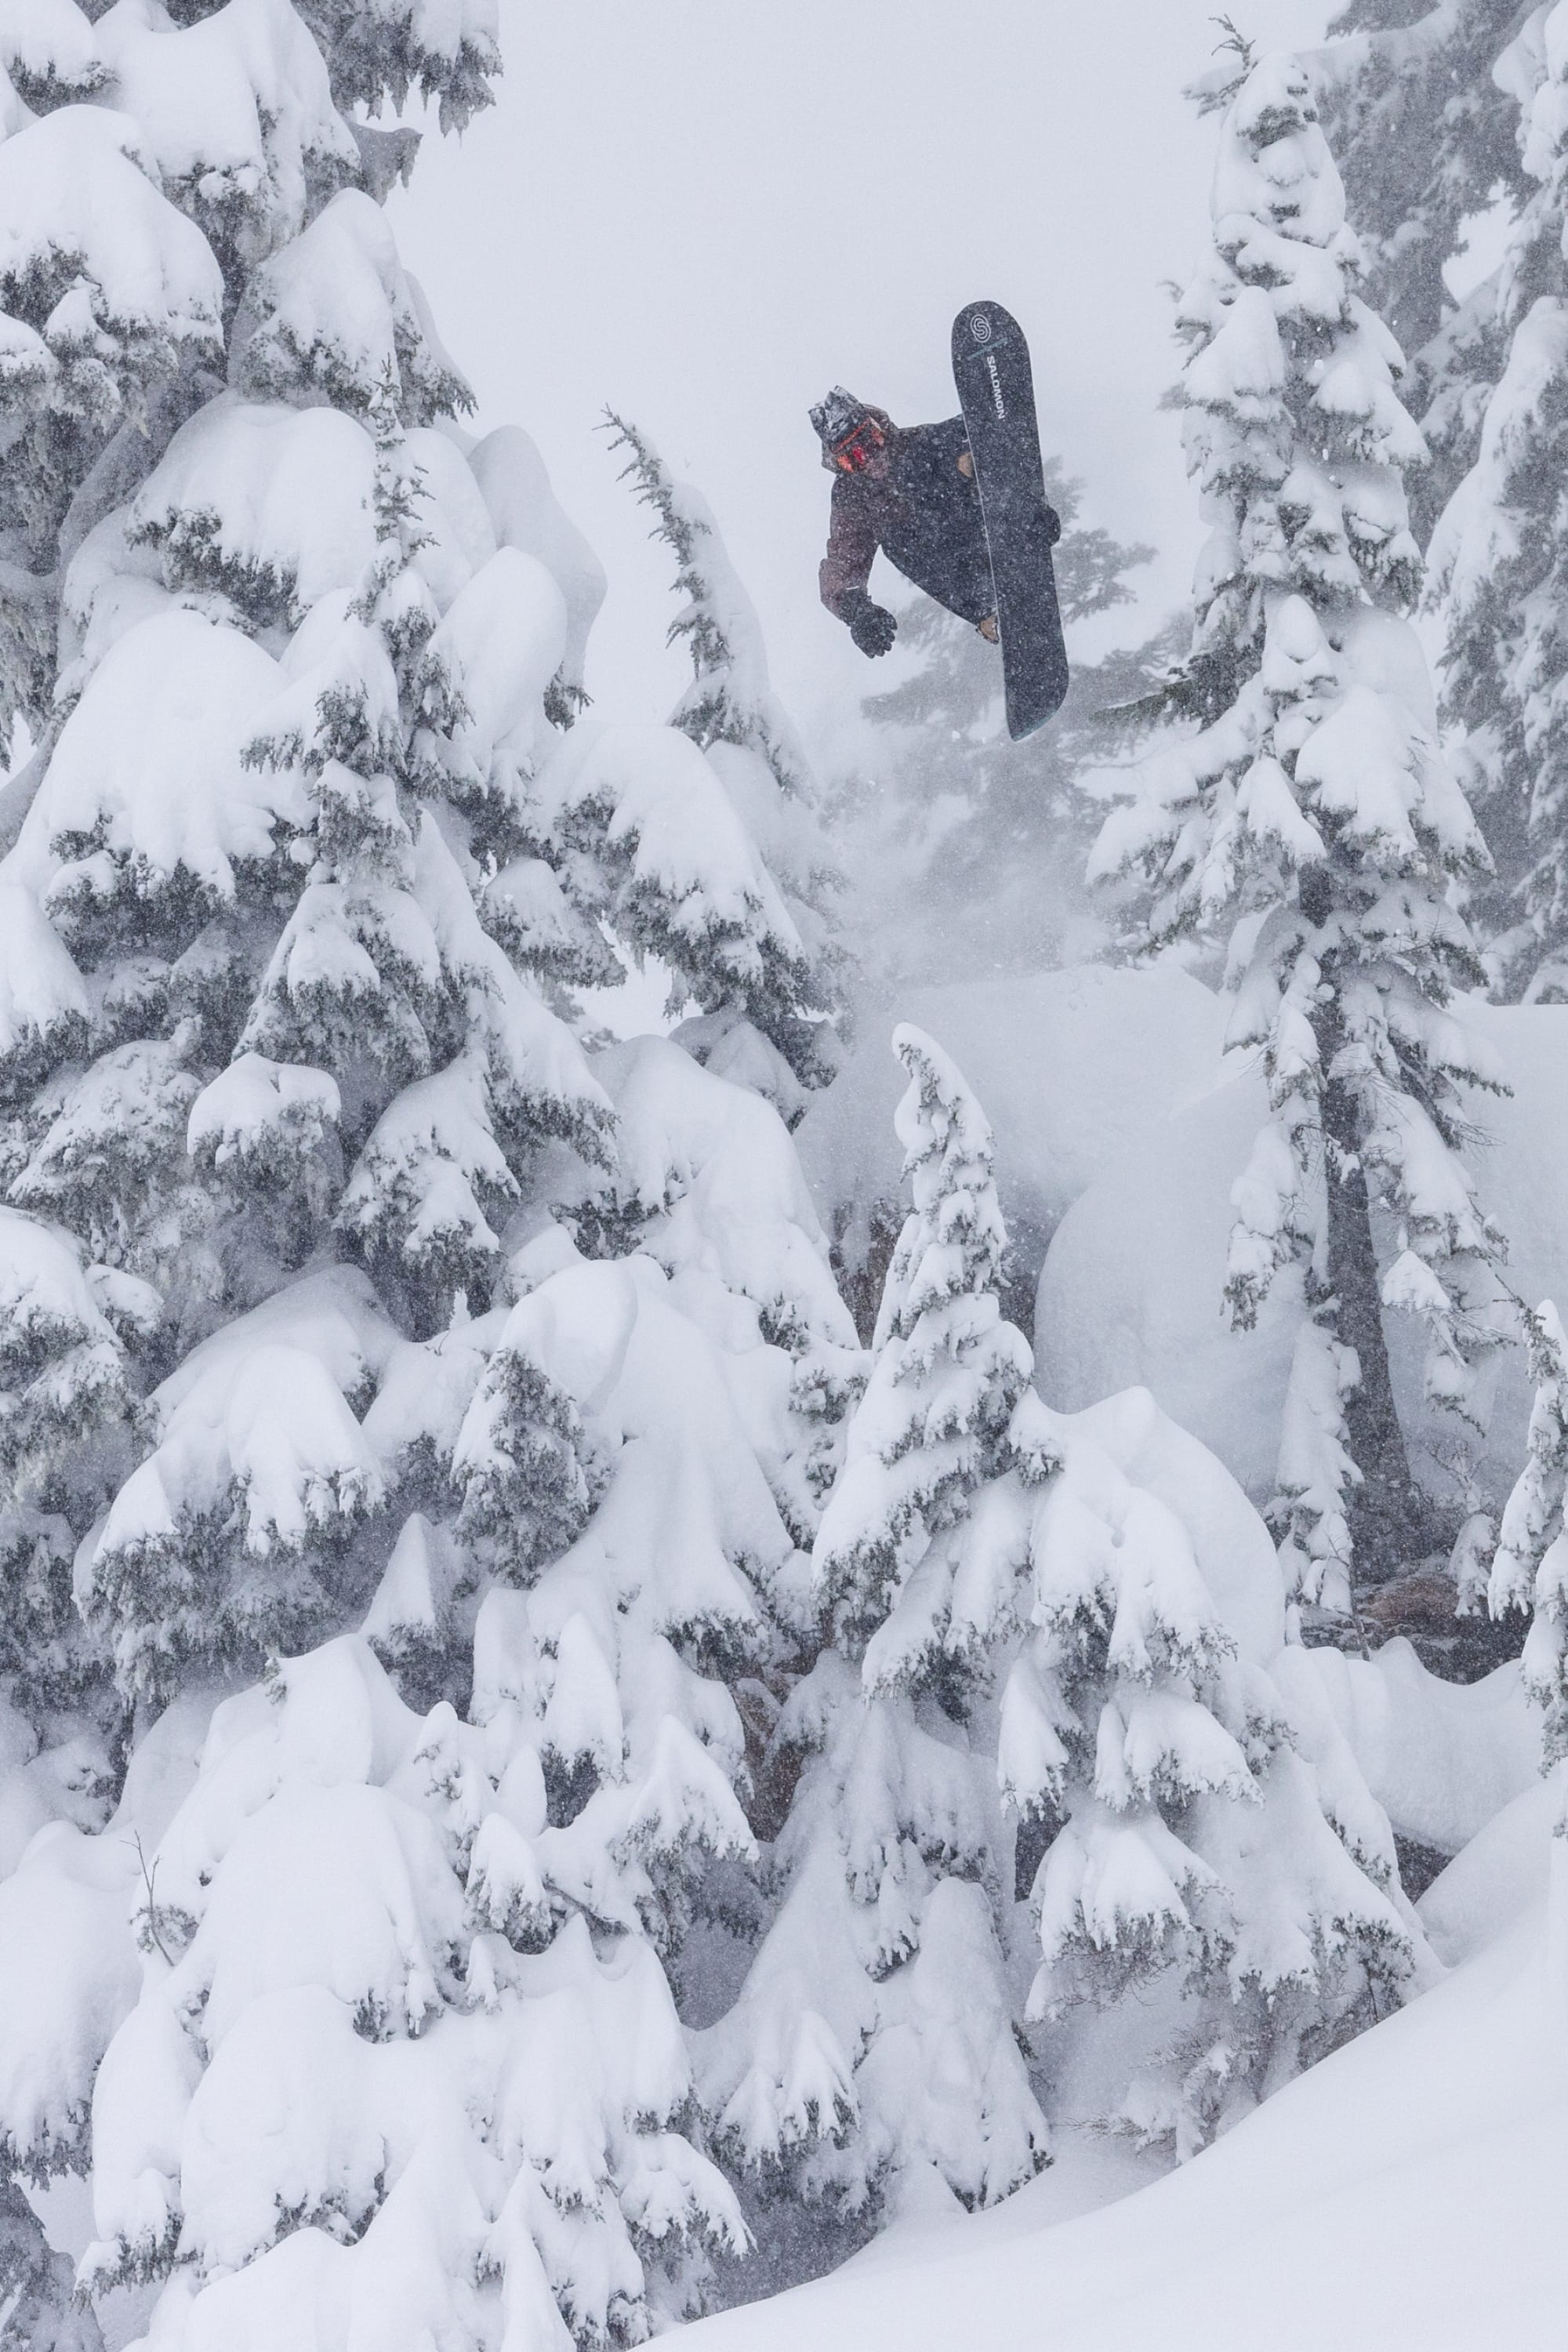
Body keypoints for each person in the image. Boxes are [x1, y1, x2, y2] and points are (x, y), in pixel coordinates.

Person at [809, 385, 1058, 657]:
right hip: (960, 567)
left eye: (869, 443)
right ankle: (990, 610)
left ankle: (1021, 525)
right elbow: (843, 559)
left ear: (878, 430)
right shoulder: (854, 497)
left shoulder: (920, 443)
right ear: (840, 464)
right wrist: (856, 611)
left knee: (947, 458)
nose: (868, 461)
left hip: (985, 524)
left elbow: (980, 430)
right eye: (852, 459)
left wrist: (1027, 505)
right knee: (895, 542)